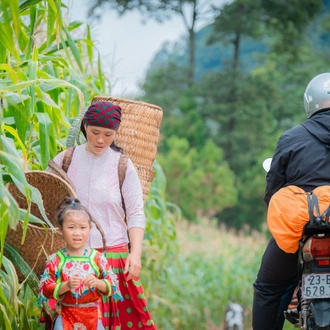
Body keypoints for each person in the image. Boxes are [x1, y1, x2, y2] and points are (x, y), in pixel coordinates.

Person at [52, 101, 157, 330]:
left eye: (108, 134)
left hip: (113, 261)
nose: (100, 140)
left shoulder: (122, 165)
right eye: (94, 132)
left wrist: (136, 253)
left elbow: (136, 213)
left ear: (116, 133)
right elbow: (48, 204)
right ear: (85, 127)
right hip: (73, 262)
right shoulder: (65, 161)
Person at [252, 72, 330, 330]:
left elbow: (273, 192)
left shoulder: (291, 138)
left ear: (310, 103)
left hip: (301, 230)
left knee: (268, 289)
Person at [38, 197, 122, 330]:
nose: (77, 233)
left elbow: (113, 285)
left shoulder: (98, 258)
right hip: (65, 314)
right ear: (60, 229)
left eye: (83, 227)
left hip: (93, 316)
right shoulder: (56, 260)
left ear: (90, 229)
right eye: (71, 227)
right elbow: (45, 289)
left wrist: (98, 283)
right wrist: (67, 285)